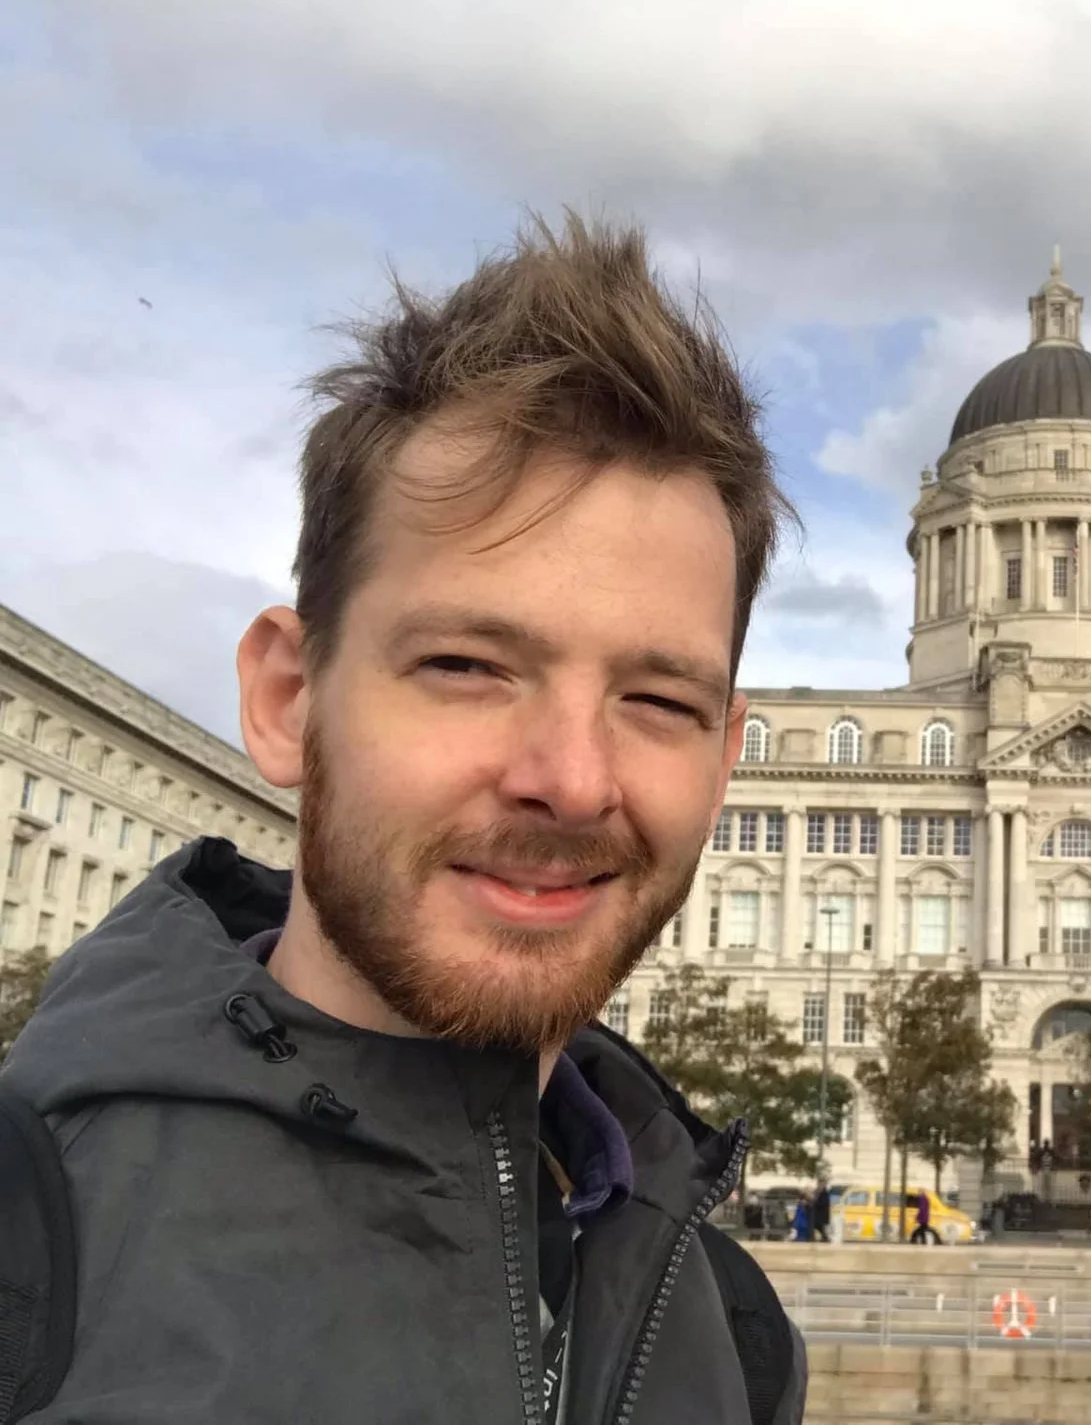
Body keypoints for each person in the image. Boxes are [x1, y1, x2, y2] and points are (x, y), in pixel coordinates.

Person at [0, 214, 807, 1425]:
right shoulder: (25, 1247)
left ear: (726, 753)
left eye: (656, 697)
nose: (572, 778)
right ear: (286, 697)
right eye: (469, 664)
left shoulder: (732, 1332)